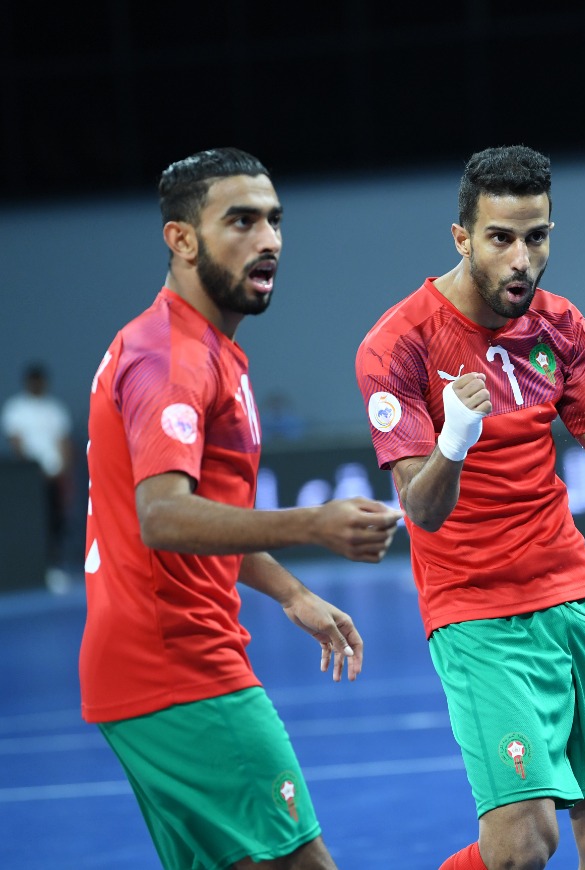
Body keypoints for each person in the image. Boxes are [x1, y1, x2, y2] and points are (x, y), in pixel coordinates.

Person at [355, 145, 585, 870]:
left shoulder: (561, 327)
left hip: (574, 596)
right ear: (462, 237)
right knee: (523, 846)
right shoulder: (399, 344)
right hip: (475, 611)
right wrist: (455, 437)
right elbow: (420, 511)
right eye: (501, 238)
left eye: (537, 236)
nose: (522, 258)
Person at [80, 147, 404, 870]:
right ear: (182, 239)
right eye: (242, 221)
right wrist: (313, 526)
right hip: (178, 666)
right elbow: (162, 516)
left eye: (275, 221)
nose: (270, 240)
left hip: (152, 666)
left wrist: (290, 592)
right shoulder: (169, 358)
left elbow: (202, 513)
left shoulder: (207, 351)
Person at [2, 361, 74, 590]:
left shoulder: (55, 409)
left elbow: (64, 442)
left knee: (56, 521)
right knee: (34, 523)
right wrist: (36, 471)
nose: (38, 384)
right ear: (28, 382)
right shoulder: (15, 409)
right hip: (30, 481)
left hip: (55, 477)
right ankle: (34, 569)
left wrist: (61, 468)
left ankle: (55, 568)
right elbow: (16, 442)